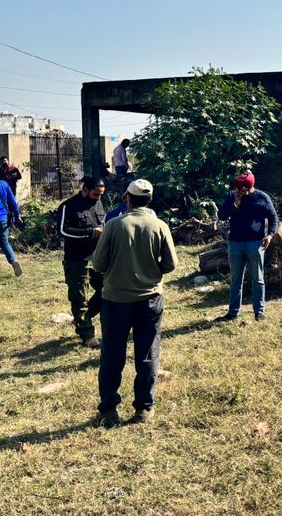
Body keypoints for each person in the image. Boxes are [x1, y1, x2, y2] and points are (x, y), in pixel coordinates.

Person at [91, 178, 176, 428]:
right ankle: (143, 409)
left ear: (127, 198)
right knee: (148, 353)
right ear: (149, 200)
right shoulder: (160, 226)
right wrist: (152, 272)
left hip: (116, 299)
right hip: (150, 299)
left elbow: (98, 264)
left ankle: (108, 410)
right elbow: (171, 264)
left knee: (112, 355)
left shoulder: (114, 225)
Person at [215, 172, 278, 322]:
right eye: (238, 189)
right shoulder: (232, 196)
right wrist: (234, 205)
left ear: (250, 187)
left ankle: (259, 312)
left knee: (258, 278)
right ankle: (233, 312)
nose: (240, 192)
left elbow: (273, 217)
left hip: (255, 243)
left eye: (243, 190)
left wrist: (269, 235)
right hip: (235, 243)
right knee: (236, 279)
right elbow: (222, 215)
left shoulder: (262, 197)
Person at [58, 175, 107, 347]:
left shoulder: (99, 203)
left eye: (101, 194)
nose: (98, 198)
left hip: (99, 258)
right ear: (85, 190)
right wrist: (91, 232)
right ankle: (88, 335)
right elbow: (63, 231)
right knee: (80, 298)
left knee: (107, 290)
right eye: (95, 194)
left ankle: (82, 320)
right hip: (77, 259)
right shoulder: (68, 206)